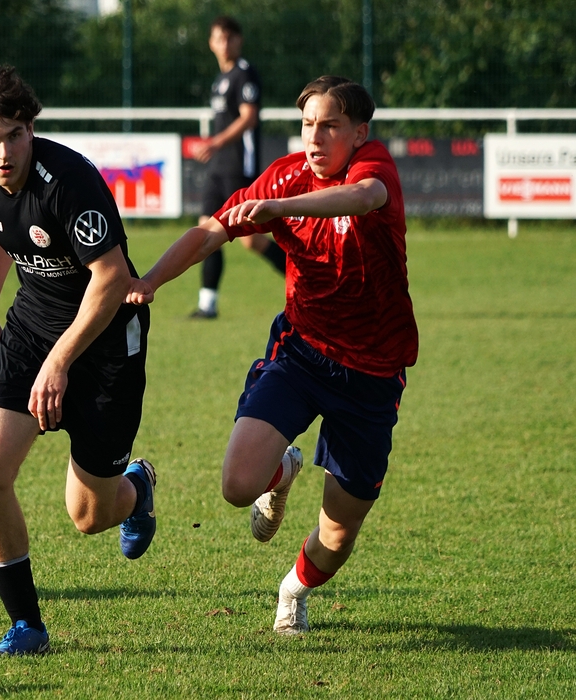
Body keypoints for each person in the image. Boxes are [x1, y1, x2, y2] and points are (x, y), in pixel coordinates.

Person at [126, 76, 418, 634]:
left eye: (329, 126)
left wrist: (278, 207)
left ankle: (293, 589)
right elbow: (211, 232)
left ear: (359, 133)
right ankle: (282, 469)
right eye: (307, 124)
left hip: (372, 372)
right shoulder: (283, 174)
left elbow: (363, 198)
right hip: (303, 353)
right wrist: (151, 281)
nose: (315, 137)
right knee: (238, 485)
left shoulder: (372, 167)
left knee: (338, 536)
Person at [0, 64, 157, 658]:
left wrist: (60, 362)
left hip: (106, 343)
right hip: (31, 329)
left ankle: (136, 488)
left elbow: (111, 278)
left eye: (15, 136)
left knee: (88, 516)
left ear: (31, 130)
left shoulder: (69, 182)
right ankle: (27, 627)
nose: (3, 153)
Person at [190, 15, 286, 319]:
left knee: (250, 240)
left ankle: (309, 280)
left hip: (238, 167)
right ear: (211, 43)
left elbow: (249, 117)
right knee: (205, 231)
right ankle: (207, 304)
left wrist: (215, 142)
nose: (224, 44)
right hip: (218, 169)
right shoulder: (220, 79)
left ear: (239, 40)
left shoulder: (245, 73)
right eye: (219, 38)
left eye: (230, 38)